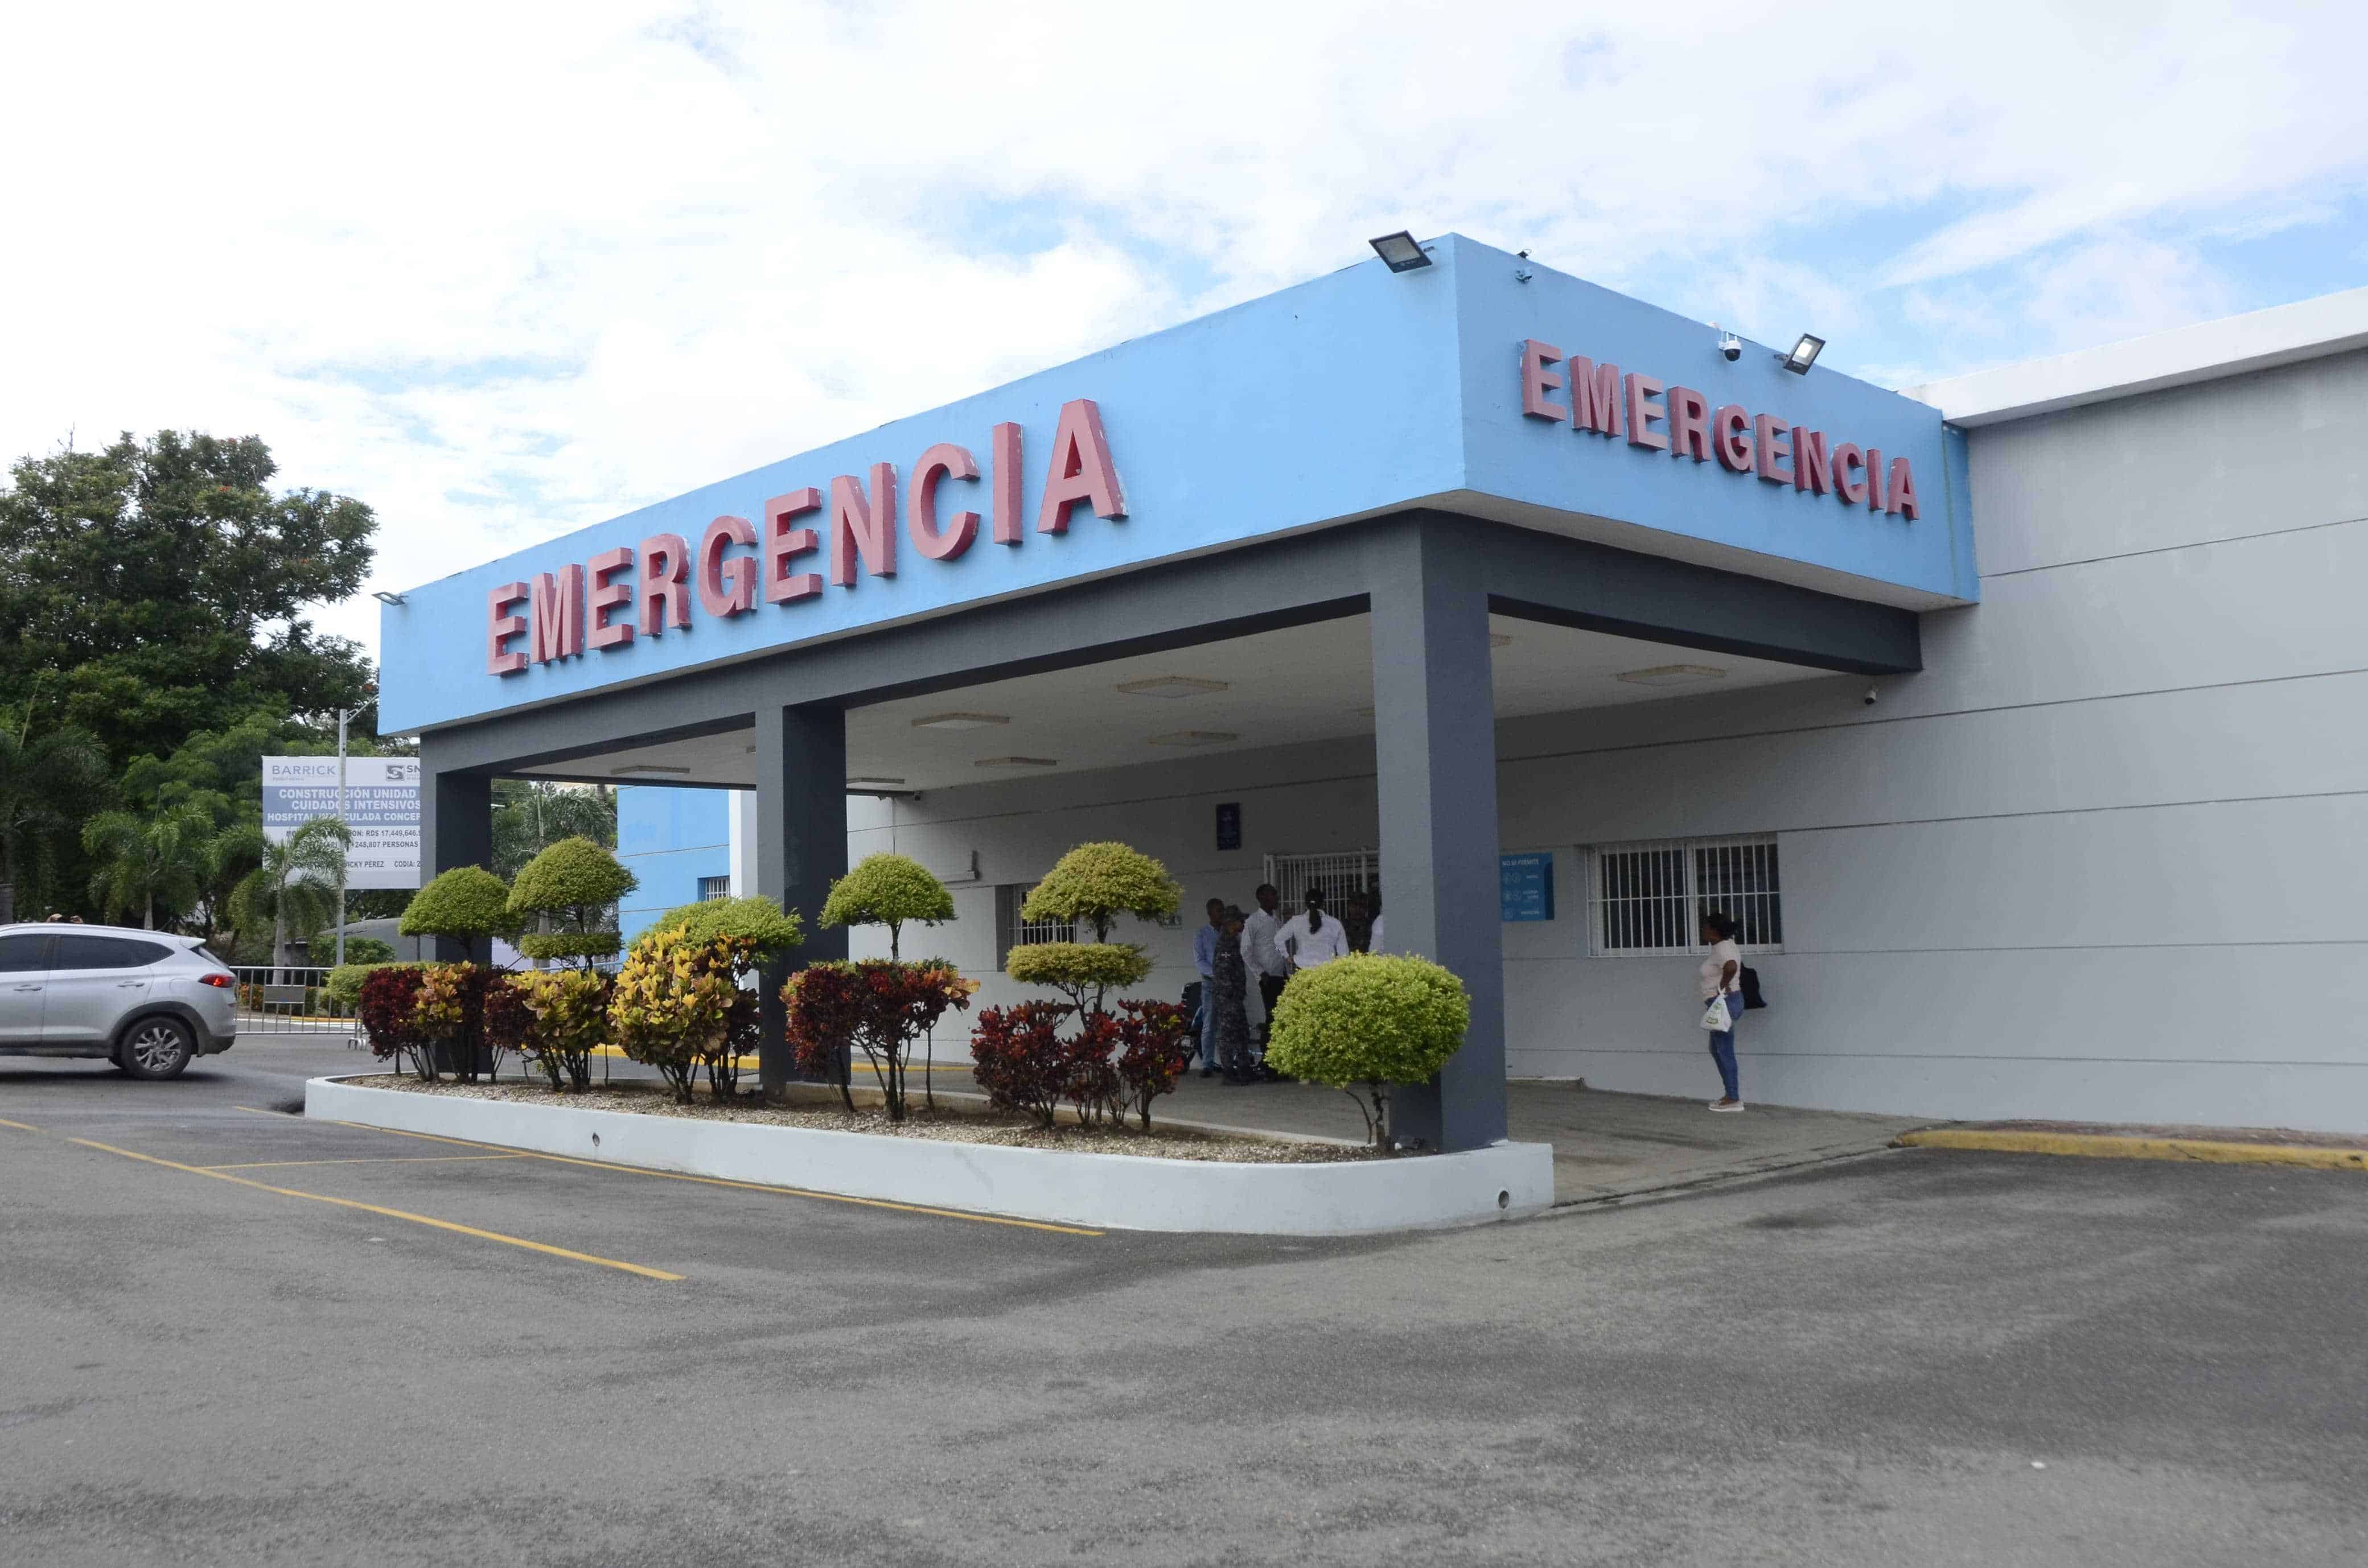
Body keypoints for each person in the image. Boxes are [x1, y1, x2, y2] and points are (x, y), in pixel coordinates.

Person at [1699, 911, 1745, 1112]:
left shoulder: (1722, 949)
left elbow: (1731, 967)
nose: (1702, 930)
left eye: (1705, 927)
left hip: (1724, 1003)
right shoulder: (1724, 946)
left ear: (1713, 930)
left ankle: (1733, 1098)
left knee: (1723, 1050)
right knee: (1717, 1049)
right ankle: (1730, 1095)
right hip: (1726, 1002)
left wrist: (1720, 988)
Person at [1211, 906, 1257, 1084]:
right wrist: (1231, 996)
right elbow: (1223, 973)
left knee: (1242, 1033)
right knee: (1228, 1035)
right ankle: (1229, 1072)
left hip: (1235, 997)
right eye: (1240, 921)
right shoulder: (1225, 943)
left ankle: (1245, 1069)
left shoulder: (1233, 940)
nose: (1243, 923)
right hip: (1228, 998)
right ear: (1231, 923)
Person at [1241, 883, 1290, 1050]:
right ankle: (1267, 1062)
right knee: (1272, 1018)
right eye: (1273, 895)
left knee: (1282, 1017)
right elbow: (1245, 951)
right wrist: (1261, 974)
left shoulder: (1276, 921)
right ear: (1261, 898)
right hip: (1268, 978)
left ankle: (1278, 1058)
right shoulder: (1253, 922)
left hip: (1281, 975)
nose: (1277, 898)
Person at [1191, 896, 1226, 1078]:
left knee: (1228, 1023)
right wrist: (1217, 975)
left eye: (1223, 910)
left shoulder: (1228, 933)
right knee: (1210, 1023)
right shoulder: (1201, 935)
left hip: (1228, 984)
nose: (1222, 913)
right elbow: (1200, 962)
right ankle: (1207, 1065)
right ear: (1210, 913)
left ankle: (1229, 1063)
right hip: (1210, 984)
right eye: (1218, 910)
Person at [1276, 888, 1350, 972]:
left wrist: (1286, 956)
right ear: (1323, 904)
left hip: (1302, 970)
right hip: (1328, 971)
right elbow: (1344, 954)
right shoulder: (1335, 923)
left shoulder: (1296, 921)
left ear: (1306, 905)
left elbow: (1277, 940)